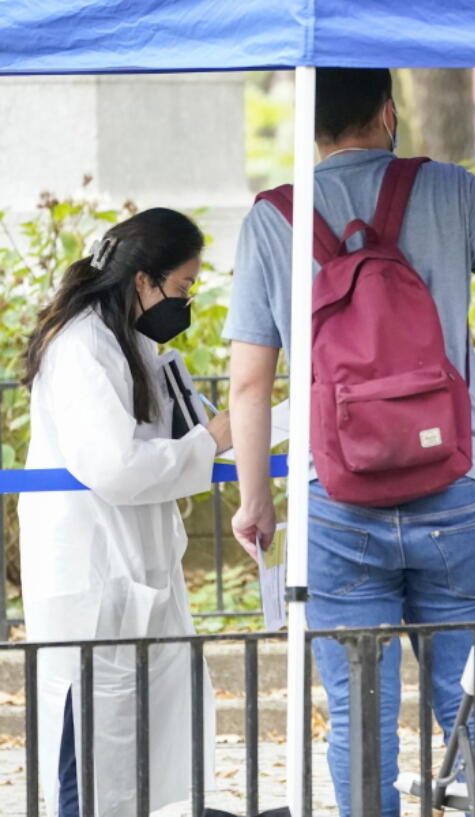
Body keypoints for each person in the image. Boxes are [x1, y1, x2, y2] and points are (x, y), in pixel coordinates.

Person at [222, 68, 475, 815]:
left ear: (311, 126)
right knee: (472, 698)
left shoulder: (272, 219)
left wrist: (257, 500)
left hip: (336, 503)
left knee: (358, 712)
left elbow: (250, 384)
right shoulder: (452, 190)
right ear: (388, 113)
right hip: (459, 482)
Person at [18, 208, 232, 817]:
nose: (186, 300)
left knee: (130, 753)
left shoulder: (136, 345)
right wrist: (209, 441)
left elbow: (194, 426)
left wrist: (235, 430)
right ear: (144, 279)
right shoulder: (82, 346)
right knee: (87, 754)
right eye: (184, 285)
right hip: (95, 582)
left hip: (132, 577)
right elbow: (115, 467)